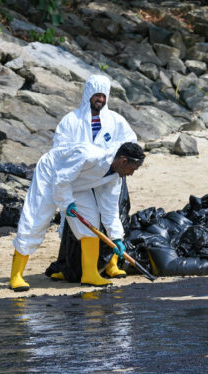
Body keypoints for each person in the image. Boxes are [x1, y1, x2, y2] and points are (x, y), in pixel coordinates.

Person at [9, 142, 146, 291]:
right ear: (123, 160)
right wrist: (67, 203)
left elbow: (110, 208)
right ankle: (16, 276)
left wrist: (117, 237)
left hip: (78, 184)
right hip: (51, 174)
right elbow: (61, 180)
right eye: (132, 169)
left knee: (92, 220)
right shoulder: (89, 156)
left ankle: (90, 274)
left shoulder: (115, 176)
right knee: (36, 221)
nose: (131, 173)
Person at [50, 74, 138, 280]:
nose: (100, 99)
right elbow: (59, 149)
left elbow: (131, 143)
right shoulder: (70, 121)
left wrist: (111, 157)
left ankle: (111, 264)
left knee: (114, 214)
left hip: (110, 174)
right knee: (80, 223)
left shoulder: (116, 120)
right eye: (96, 95)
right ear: (88, 94)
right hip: (78, 178)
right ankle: (74, 268)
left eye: (103, 95)